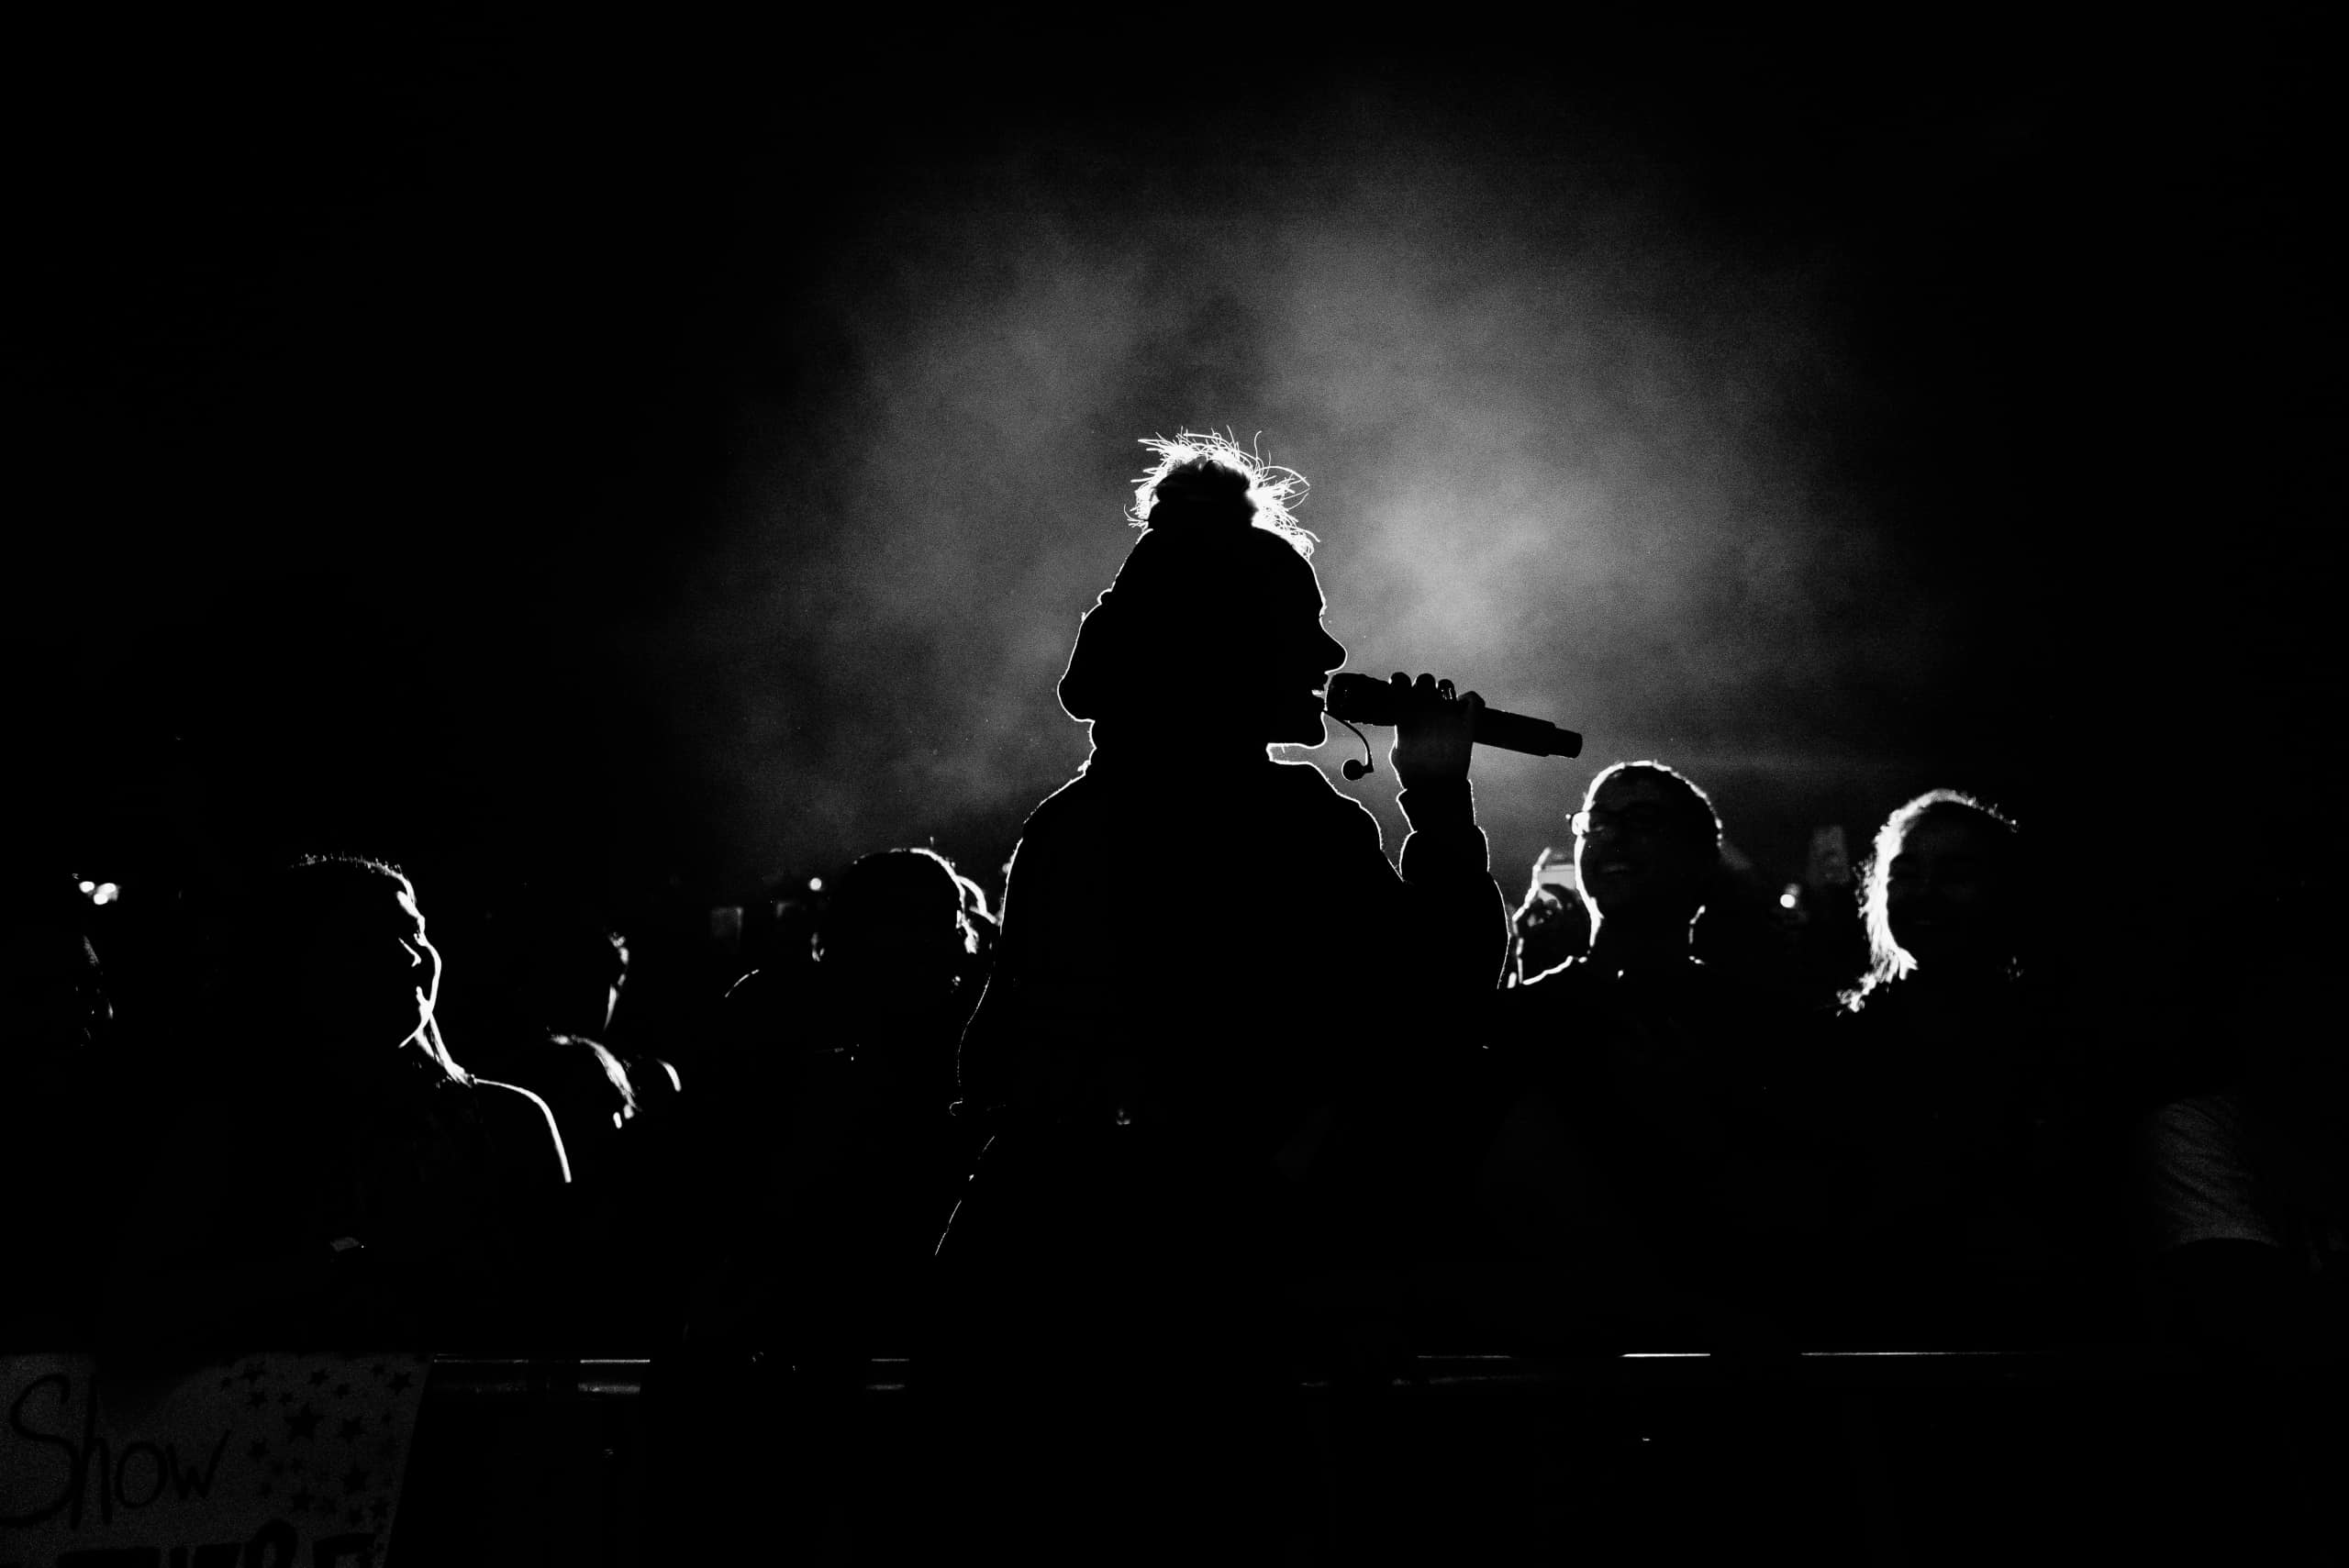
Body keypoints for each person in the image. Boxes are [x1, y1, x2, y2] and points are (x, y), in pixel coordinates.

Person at [927, 431, 1507, 1562]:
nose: (1331, 650)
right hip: (1179, 1281)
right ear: (1229, 647)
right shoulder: (1286, 827)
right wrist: (1438, 812)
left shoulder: (1069, 820)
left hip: (1014, 1262)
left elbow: (991, 1060)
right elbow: (1436, 1000)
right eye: (1303, 626)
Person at [100, 854, 574, 1363]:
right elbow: (137, 1317)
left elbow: (570, 1314)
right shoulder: (228, 1130)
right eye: (365, 939)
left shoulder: (510, 1121)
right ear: (295, 963)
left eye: (414, 933)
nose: (409, 956)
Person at [1472, 762, 1816, 1351]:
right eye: (1598, 824)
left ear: (1701, 860)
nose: (1614, 838)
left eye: (1643, 821)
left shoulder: (1761, 1024)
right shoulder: (1525, 1016)